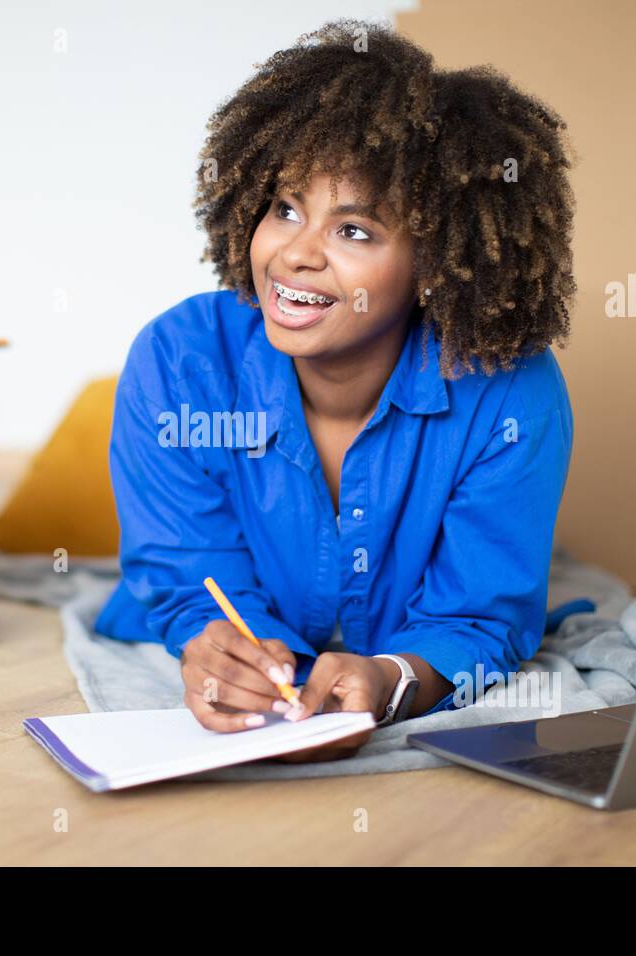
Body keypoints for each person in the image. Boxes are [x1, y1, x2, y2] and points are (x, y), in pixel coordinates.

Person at [95, 18, 577, 762]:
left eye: (353, 231)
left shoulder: (510, 392)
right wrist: (233, 661)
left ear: (439, 263)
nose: (295, 253)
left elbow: (483, 618)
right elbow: (187, 578)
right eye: (285, 208)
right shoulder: (180, 363)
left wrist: (391, 678)